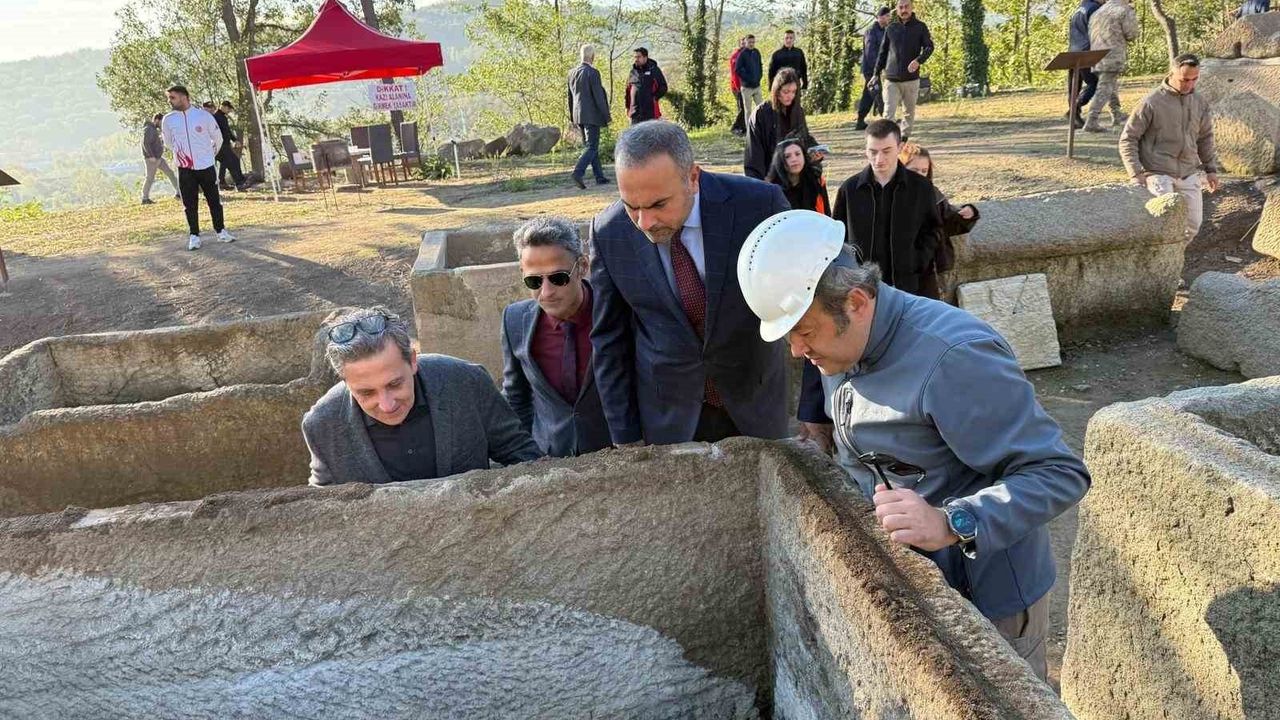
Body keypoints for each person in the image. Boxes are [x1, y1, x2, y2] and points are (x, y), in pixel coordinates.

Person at [737, 213, 1091, 681]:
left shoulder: (953, 358)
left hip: (988, 602)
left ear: (857, 302)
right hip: (919, 585)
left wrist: (952, 521)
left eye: (804, 333)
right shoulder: (845, 343)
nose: (797, 352)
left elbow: (1059, 472)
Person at [589, 120, 791, 446]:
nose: (645, 223)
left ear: (693, 178)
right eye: (631, 206)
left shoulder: (758, 206)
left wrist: (815, 407)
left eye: (658, 205)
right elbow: (609, 341)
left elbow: (808, 297)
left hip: (755, 405)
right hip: (668, 419)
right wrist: (625, 437)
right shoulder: (609, 232)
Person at [303, 308, 542, 486]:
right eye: (366, 392)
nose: (387, 405)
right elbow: (325, 501)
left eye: (395, 384)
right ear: (345, 381)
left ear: (413, 361)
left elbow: (521, 454)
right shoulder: (322, 424)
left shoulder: (466, 381)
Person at [501, 218, 612, 457]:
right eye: (534, 281)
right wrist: (527, 454)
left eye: (558, 278)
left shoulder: (615, 312)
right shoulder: (514, 320)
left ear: (582, 266)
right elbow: (515, 396)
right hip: (549, 460)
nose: (547, 291)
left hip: (618, 457)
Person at [830, 119, 940, 298]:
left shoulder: (922, 187)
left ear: (900, 147)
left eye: (886, 151)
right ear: (865, 150)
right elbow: (838, 236)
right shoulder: (849, 189)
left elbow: (933, 230)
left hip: (911, 287)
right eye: (872, 152)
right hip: (862, 289)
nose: (879, 159)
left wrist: (915, 261)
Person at [1119, 54, 1220, 241]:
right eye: (1184, 80)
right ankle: (1160, 266)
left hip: (1189, 171)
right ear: (1172, 74)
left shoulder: (1200, 102)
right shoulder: (1150, 102)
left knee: (1193, 225)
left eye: (1194, 79)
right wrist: (1135, 173)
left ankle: (1175, 263)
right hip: (1158, 172)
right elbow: (1128, 139)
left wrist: (1211, 169)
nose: (1189, 84)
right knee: (1165, 225)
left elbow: (1205, 137)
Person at [898, 142, 980, 298]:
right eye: (914, 170)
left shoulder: (933, 195)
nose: (920, 175)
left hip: (929, 268)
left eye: (924, 171)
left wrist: (968, 212)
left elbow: (948, 221)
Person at [162, 85, 234, 251]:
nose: (170, 101)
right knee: (189, 203)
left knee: (214, 200)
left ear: (184, 97)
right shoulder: (169, 119)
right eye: (169, 97)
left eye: (172, 97)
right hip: (185, 168)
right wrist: (181, 155)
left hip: (206, 166)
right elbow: (168, 142)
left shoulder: (203, 116)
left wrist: (209, 155)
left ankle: (221, 231)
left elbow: (218, 138)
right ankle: (194, 235)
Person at [873, 0, 934, 141]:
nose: (903, 9)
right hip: (891, 79)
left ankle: (903, 140)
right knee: (888, 113)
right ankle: (887, 141)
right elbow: (882, 53)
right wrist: (875, 74)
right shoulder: (891, 28)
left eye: (906, 6)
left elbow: (929, 47)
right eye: (900, 7)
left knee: (909, 113)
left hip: (911, 79)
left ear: (912, 8)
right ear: (897, 9)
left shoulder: (920, 27)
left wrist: (919, 60)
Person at [744, 68, 819, 180]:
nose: (790, 96)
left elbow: (804, 138)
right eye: (786, 92)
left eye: (794, 92)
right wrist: (758, 182)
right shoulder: (761, 113)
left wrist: (814, 151)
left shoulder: (797, 111)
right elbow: (754, 152)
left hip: (794, 177)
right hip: (769, 175)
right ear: (777, 90)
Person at [1084, 0, 1138, 132]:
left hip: (1096, 54)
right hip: (1113, 53)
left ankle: (1116, 114)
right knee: (1105, 87)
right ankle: (1092, 119)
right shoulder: (1124, 10)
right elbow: (1131, 34)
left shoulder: (1098, 11)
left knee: (1110, 85)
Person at [568, 44, 613, 189]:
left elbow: (570, 97)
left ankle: (599, 176)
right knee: (592, 146)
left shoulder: (572, 73)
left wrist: (572, 117)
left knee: (591, 146)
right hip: (592, 115)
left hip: (578, 115)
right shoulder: (593, 73)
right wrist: (607, 116)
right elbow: (598, 97)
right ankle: (578, 172)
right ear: (592, 56)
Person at [765, 139, 829, 216]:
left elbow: (826, 212)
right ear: (780, 161)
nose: (794, 159)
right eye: (787, 156)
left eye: (798, 154)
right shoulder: (771, 190)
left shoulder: (816, 180)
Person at [1066, 0, 1103, 129]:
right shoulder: (1094, 9)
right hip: (1086, 52)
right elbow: (1096, 31)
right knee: (1095, 82)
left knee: (1074, 85)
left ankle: (1074, 116)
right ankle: (1076, 107)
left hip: (1072, 50)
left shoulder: (1079, 9)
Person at [855, 7, 891, 130]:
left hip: (876, 68)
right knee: (877, 92)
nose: (889, 18)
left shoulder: (883, 31)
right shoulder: (871, 31)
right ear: (880, 17)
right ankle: (886, 119)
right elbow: (870, 52)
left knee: (869, 94)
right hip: (870, 68)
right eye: (887, 16)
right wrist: (876, 69)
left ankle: (860, 120)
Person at [141, 112, 179, 205]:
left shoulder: (153, 129)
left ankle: (179, 193)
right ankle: (145, 198)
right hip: (152, 159)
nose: (162, 125)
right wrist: (151, 156)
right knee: (149, 178)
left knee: (170, 173)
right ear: (157, 120)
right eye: (161, 122)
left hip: (158, 158)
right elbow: (145, 143)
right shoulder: (149, 129)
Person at [625, 48, 668, 124]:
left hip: (650, 112)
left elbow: (663, 87)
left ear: (645, 57)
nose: (636, 59)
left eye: (638, 57)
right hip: (635, 114)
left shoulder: (654, 70)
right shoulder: (632, 72)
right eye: (635, 57)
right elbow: (628, 91)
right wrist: (628, 108)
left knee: (651, 135)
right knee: (636, 136)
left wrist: (654, 98)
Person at [212, 100, 248, 190]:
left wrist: (235, 140)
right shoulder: (216, 117)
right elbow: (223, 132)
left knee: (226, 162)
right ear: (223, 106)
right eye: (228, 109)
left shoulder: (222, 117)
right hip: (221, 145)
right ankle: (239, 182)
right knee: (233, 162)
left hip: (225, 144)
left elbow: (227, 131)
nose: (229, 111)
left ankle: (222, 182)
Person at [735, 35, 765, 121]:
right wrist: (747, 79)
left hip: (757, 86)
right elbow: (738, 69)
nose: (751, 44)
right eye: (750, 42)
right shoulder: (742, 54)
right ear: (746, 43)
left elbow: (760, 65)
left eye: (753, 42)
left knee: (761, 108)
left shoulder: (757, 52)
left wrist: (759, 77)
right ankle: (749, 131)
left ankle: (761, 128)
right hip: (746, 87)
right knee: (748, 110)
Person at [729, 37, 747, 136]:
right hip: (737, 86)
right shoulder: (735, 56)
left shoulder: (749, 55)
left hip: (747, 85)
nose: (744, 45)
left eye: (745, 43)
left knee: (745, 107)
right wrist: (737, 87)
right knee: (742, 108)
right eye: (742, 43)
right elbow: (734, 74)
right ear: (739, 44)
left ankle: (743, 128)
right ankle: (735, 127)